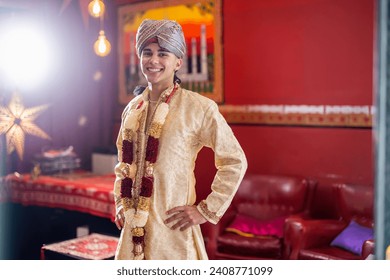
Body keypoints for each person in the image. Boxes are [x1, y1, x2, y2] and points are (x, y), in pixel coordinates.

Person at [113, 19, 247, 260]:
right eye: (147, 53)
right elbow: (123, 165)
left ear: (178, 62)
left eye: (163, 53)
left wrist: (205, 211)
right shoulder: (132, 109)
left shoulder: (198, 107)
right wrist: (121, 204)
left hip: (173, 235)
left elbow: (235, 161)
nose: (153, 60)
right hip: (132, 238)